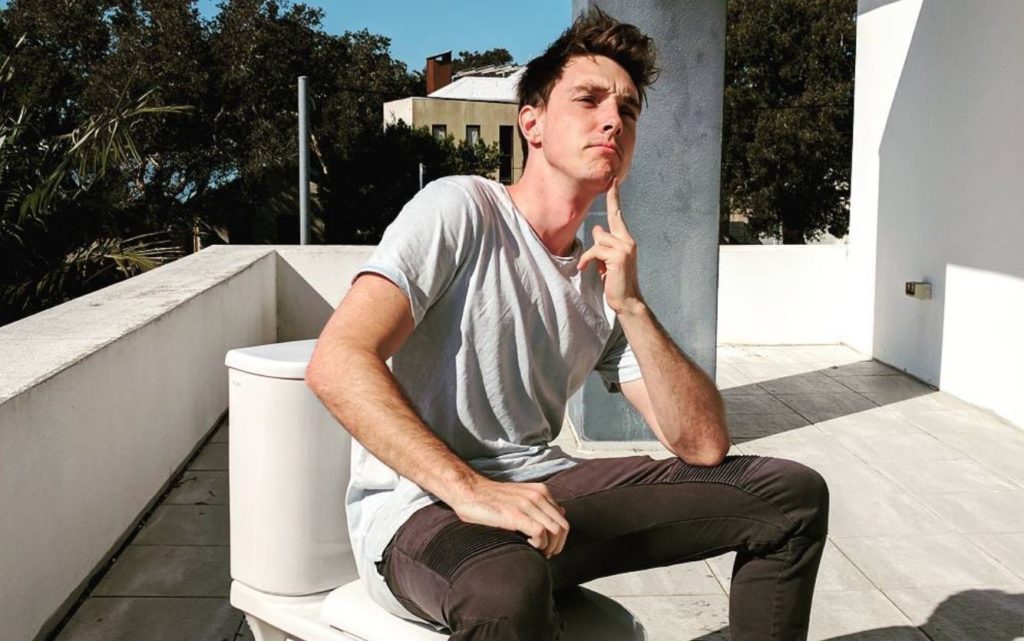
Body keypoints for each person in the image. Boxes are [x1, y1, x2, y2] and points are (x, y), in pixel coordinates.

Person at [306, 7, 828, 641]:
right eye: (588, 99)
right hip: (421, 511)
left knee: (790, 496)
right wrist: (469, 489)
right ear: (531, 123)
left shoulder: (601, 278)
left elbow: (702, 446)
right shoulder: (460, 209)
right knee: (505, 585)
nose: (613, 119)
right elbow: (337, 360)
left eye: (628, 110)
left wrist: (632, 306)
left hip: (542, 493)